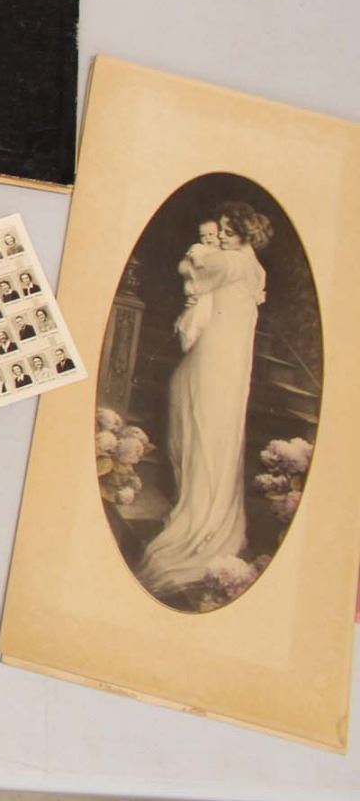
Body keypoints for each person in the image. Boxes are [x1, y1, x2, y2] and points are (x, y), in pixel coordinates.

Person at [134, 204, 270, 599]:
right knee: (205, 418)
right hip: (230, 355)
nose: (222, 236)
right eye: (221, 229)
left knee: (201, 418)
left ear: (246, 233)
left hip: (218, 352)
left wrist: (197, 253)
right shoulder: (254, 267)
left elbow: (188, 269)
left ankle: (198, 511)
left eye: (229, 230)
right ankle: (196, 499)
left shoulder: (230, 262)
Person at [173, 219, 223, 353]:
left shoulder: (222, 253)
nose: (207, 238)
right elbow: (192, 263)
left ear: (219, 234)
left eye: (211, 234)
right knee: (194, 320)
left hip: (210, 294)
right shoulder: (199, 248)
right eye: (203, 235)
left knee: (204, 319)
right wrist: (197, 262)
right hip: (197, 288)